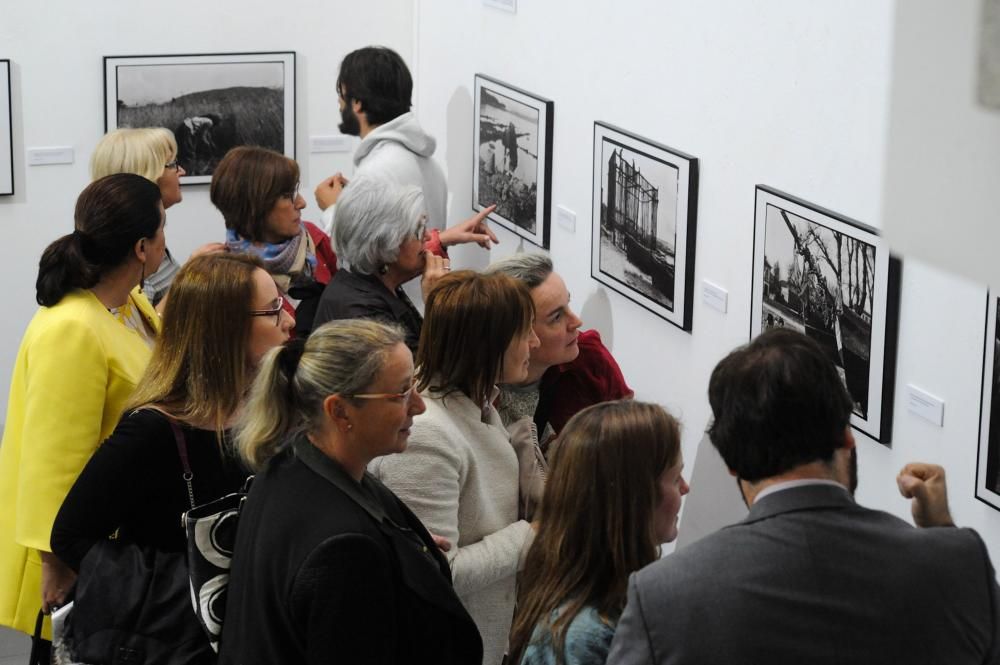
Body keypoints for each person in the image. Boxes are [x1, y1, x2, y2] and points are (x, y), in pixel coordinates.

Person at [607, 328, 1000, 664]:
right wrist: (942, 530)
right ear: (847, 437)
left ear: (732, 464)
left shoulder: (662, 596)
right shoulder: (959, 563)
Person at [219, 320, 482, 665]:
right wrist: (374, 562)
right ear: (339, 410)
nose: (418, 406)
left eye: (414, 386)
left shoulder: (290, 465)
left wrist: (399, 553)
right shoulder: (345, 550)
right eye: (401, 393)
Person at [51, 253, 291, 576]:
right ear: (227, 329)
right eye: (274, 310)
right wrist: (178, 584)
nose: (289, 320)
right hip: (178, 621)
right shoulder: (151, 431)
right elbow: (70, 536)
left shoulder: (263, 406)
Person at [0, 174, 164, 645]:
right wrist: (60, 563)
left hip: (118, 538)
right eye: (162, 227)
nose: (165, 240)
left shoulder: (127, 303)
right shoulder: (71, 327)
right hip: (81, 555)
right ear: (140, 247)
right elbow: (54, 461)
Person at [369, 271, 540, 665]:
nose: (533, 342)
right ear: (488, 344)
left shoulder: (477, 404)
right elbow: (436, 572)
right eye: (524, 332)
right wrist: (531, 536)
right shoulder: (426, 435)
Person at [508, 400, 688, 665]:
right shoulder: (582, 639)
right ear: (634, 498)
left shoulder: (615, 609)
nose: (686, 488)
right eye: (675, 478)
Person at [313, 174, 497, 352]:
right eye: (419, 230)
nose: (428, 236)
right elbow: (423, 377)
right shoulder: (366, 319)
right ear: (385, 244)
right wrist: (437, 305)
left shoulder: (366, 277)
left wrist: (441, 241)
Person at [485, 253, 632, 446]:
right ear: (516, 331)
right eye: (556, 317)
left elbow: (632, 444)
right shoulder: (474, 384)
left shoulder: (589, 359)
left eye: (568, 304)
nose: (576, 322)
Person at [314, 46, 447, 237]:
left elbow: (358, 258)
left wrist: (334, 210)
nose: (339, 103)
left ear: (357, 103)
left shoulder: (375, 171)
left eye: (341, 93)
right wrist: (356, 200)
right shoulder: (429, 163)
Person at [211, 145, 337, 337]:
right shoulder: (233, 277)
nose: (302, 203)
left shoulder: (313, 238)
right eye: (287, 196)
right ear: (255, 206)